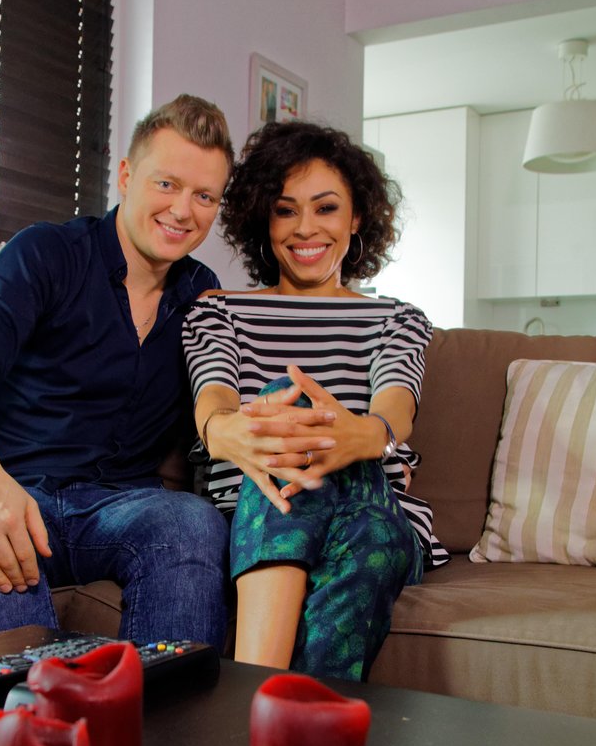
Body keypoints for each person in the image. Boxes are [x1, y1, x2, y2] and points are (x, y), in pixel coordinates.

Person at [0, 95, 233, 650]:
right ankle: (31, 709)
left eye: (204, 196)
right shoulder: (46, 253)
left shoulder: (203, 296)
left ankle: (169, 709)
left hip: (123, 509)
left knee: (191, 521)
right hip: (13, 489)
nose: (183, 211)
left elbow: (228, 401)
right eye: (166, 184)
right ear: (126, 176)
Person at [182, 120, 448, 681]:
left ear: (356, 218)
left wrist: (365, 435)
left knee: (368, 520)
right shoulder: (218, 312)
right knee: (287, 405)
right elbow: (215, 400)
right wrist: (239, 429)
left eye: (326, 208)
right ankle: (289, 721)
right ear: (264, 219)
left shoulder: (397, 319)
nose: (306, 228)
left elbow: (396, 406)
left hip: (374, 502)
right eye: (286, 210)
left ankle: (249, 703)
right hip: (255, 507)